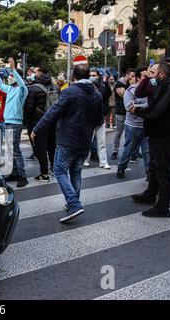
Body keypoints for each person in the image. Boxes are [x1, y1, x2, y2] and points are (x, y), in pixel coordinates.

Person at [31, 65, 104, 223]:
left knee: (59, 171)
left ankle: (73, 204)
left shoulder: (70, 92)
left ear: (73, 77)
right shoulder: (96, 94)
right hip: (85, 141)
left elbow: (53, 113)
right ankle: (73, 202)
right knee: (76, 172)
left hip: (68, 140)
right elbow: (100, 120)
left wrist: (36, 129)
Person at [129, 62, 170, 218]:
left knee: (164, 172)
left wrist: (137, 110)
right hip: (158, 134)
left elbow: (157, 111)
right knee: (154, 167)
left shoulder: (169, 87)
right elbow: (142, 94)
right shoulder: (163, 85)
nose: (148, 75)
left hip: (166, 136)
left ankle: (163, 208)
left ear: (162, 74)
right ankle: (150, 194)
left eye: (151, 73)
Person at [0, 58, 29, 188]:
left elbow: (22, 83)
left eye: (11, 77)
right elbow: (0, 85)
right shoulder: (10, 89)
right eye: (9, 76)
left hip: (15, 124)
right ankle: (14, 173)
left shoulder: (22, 90)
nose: (9, 78)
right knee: (10, 150)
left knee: (15, 150)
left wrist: (13, 69)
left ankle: (22, 177)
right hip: (7, 122)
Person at [24, 66, 56, 182]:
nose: (32, 73)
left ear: (41, 73)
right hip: (52, 121)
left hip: (38, 122)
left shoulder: (33, 88)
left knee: (40, 149)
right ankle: (54, 168)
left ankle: (44, 174)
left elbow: (29, 108)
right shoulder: (54, 86)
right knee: (52, 146)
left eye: (35, 72)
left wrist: (26, 121)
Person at [117, 67, 150, 180]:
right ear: (138, 78)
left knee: (147, 151)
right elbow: (129, 107)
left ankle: (149, 174)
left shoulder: (151, 90)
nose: (148, 78)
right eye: (145, 76)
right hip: (133, 126)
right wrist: (147, 106)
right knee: (129, 149)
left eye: (149, 75)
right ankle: (121, 168)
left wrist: (139, 106)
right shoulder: (130, 91)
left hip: (147, 126)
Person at [84, 68, 112, 169]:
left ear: (98, 76)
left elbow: (108, 94)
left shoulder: (101, 88)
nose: (92, 77)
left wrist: (105, 83)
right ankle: (85, 159)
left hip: (100, 120)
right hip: (89, 121)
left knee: (102, 143)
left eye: (94, 75)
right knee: (88, 142)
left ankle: (103, 162)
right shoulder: (85, 89)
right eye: (90, 75)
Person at [111, 68, 136, 160]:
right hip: (121, 112)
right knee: (119, 133)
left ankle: (132, 152)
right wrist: (132, 85)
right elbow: (125, 95)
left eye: (134, 76)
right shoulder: (119, 84)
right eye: (132, 76)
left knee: (130, 134)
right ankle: (115, 151)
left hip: (130, 113)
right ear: (127, 75)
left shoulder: (133, 85)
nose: (133, 78)